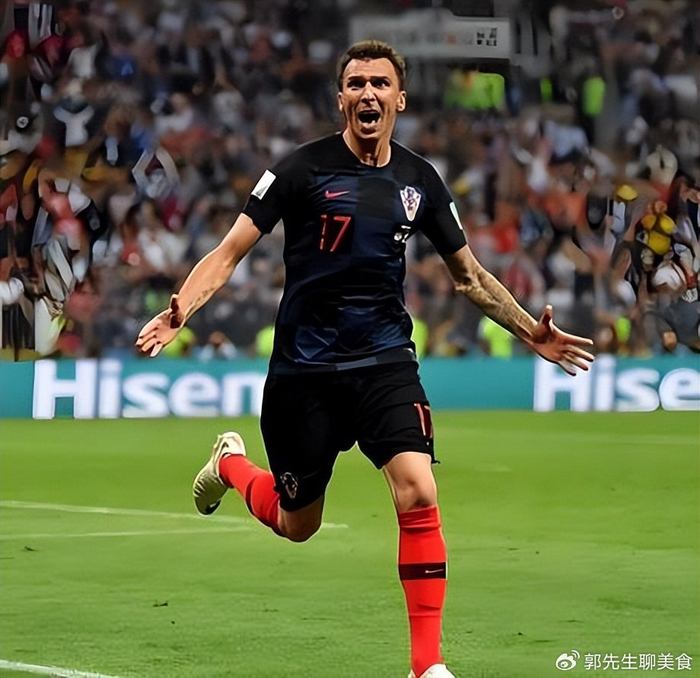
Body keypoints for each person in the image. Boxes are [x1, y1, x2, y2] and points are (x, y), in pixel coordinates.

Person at [136, 41, 595, 678]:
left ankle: (426, 666)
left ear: (399, 99)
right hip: (305, 372)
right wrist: (182, 307)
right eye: (356, 84)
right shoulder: (299, 170)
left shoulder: (420, 180)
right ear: (342, 99)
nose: (368, 93)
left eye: (380, 83)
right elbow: (229, 251)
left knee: (418, 490)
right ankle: (231, 464)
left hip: (384, 362)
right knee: (298, 524)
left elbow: (469, 276)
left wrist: (529, 331)